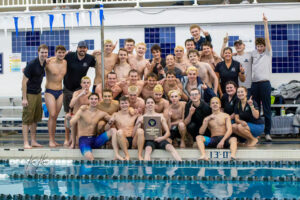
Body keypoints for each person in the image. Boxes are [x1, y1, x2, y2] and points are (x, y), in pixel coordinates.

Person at [63, 41, 96, 145]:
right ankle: (67, 138)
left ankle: (77, 137)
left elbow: (99, 65)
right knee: (68, 114)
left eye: (84, 48)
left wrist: (98, 53)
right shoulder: (69, 55)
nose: (82, 49)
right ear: (77, 48)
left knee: (79, 114)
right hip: (68, 88)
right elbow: (58, 60)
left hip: (80, 88)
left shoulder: (89, 58)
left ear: (87, 49)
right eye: (80, 47)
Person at [70, 93, 115, 161]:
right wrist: (79, 110)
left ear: (98, 101)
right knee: (89, 157)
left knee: (113, 131)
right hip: (84, 140)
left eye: (95, 99)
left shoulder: (101, 113)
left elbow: (113, 118)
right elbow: (72, 122)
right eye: (91, 99)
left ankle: (116, 153)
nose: (93, 101)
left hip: (95, 139)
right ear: (88, 100)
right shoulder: (82, 111)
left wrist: (114, 116)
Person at [134, 97, 182, 161]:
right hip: (149, 140)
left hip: (160, 138)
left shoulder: (160, 116)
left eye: (152, 102)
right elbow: (134, 135)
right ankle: (147, 169)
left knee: (170, 147)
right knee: (148, 150)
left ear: (155, 105)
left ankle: (180, 164)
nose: (150, 104)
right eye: (148, 103)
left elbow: (168, 132)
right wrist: (137, 123)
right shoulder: (142, 117)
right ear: (145, 105)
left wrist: (162, 138)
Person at [22, 44, 48, 149]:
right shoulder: (32, 64)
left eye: (45, 52)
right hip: (29, 94)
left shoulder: (44, 62)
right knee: (27, 119)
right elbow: (24, 82)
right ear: (38, 52)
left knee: (35, 119)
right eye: (42, 52)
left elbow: (52, 58)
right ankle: (25, 142)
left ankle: (33, 141)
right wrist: (24, 98)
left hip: (38, 94)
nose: (44, 54)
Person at [251, 14, 272, 142]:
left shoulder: (268, 53)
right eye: (258, 46)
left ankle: (268, 132)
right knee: (255, 109)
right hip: (255, 84)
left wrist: (265, 24)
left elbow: (267, 39)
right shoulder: (253, 53)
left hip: (265, 84)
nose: (260, 48)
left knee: (267, 108)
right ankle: (257, 132)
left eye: (261, 46)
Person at [44, 45, 67, 147]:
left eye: (63, 52)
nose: (61, 54)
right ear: (55, 53)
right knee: (52, 115)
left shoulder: (65, 62)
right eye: (59, 52)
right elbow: (37, 64)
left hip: (60, 91)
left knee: (56, 116)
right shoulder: (48, 63)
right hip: (50, 91)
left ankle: (53, 140)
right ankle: (50, 140)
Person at [108, 96, 139, 160]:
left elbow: (143, 119)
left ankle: (139, 155)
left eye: (126, 103)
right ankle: (127, 155)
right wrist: (110, 122)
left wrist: (140, 117)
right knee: (119, 132)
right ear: (119, 105)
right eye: (122, 103)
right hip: (123, 139)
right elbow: (106, 129)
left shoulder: (134, 113)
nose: (124, 105)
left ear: (129, 104)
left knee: (140, 131)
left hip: (134, 140)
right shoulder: (115, 114)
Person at [68, 76, 92, 148]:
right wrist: (80, 95)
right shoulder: (76, 93)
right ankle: (72, 141)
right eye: (84, 83)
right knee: (71, 119)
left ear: (90, 84)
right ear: (81, 84)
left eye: (88, 83)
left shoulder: (91, 94)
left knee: (79, 143)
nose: (86, 84)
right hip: (75, 116)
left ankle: (73, 138)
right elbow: (71, 105)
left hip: (85, 117)